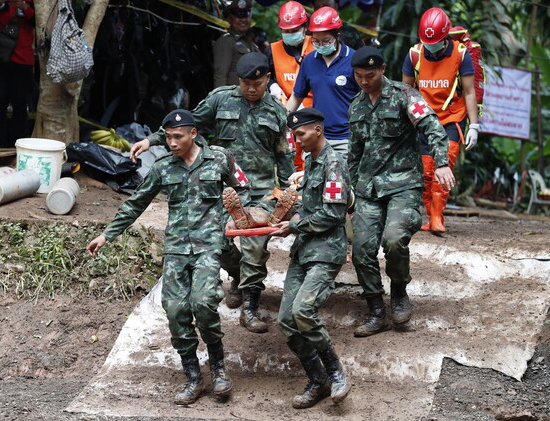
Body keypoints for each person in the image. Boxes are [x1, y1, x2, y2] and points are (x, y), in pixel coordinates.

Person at [87, 110, 247, 405]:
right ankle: (193, 378)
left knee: (204, 304)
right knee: (175, 311)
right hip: (176, 248)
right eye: (168, 137)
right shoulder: (162, 168)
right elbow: (136, 203)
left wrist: (235, 217)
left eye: (178, 137)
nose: (171, 143)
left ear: (193, 134)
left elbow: (244, 190)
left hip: (208, 246)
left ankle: (219, 370)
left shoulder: (220, 159)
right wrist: (107, 234)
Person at [130, 52, 295, 333]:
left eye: (256, 83)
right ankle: (237, 274)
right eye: (245, 83)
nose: (250, 88)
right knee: (217, 239)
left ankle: (251, 306)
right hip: (227, 189)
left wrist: (288, 190)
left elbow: (283, 156)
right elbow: (186, 124)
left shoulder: (278, 112)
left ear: (268, 78)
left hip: (261, 193)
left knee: (255, 248)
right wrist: (151, 139)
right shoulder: (221, 99)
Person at [348, 47, 455, 337]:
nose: (364, 82)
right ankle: (376, 309)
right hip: (368, 189)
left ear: (383, 69)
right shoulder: (356, 106)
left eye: (370, 75)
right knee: (361, 251)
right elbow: (354, 154)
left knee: (394, 240)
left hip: (403, 184)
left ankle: (398, 293)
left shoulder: (405, 95)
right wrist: (349, 192)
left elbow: (433, 127)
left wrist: (442, 164)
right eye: (359, 76)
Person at [271, 108, 350, 408]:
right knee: (287, 321)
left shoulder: (333, 163)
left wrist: (293, 225)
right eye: (294, 135)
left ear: (317, 130)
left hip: (326, 252)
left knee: (303, 311)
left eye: (301, 133)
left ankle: (336, 372)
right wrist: (289, 214)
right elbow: (310, 205)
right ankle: (317, 379)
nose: (297, 140)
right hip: (303, 251)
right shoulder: (310, 162)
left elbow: (333, 213)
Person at [402, 7, 479, 234]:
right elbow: (406, 92)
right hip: (423, 119)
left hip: (451, 118)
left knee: (445, 162)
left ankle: (437, 216)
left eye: (434, 41)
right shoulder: (415, 54)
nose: (431, 45)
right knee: (426, 170)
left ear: (445, 35)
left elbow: (469, 91)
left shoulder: (460, 53)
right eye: (427, 41)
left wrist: (474, 125)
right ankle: (429, 214)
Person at [285, 6, 359, 160]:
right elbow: (297, 96)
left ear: (337, 35)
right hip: (316, 137)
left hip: (346, 138)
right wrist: (282, 122)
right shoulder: (309, 61)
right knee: (312, 181)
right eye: (316, 41)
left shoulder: (353, 60)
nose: (321, 46)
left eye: (326, 41)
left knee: (340, 182)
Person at [0, 0, 35, 148]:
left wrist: (25, 8)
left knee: (20, 102)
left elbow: (41, 23)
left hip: (23, 58)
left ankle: (19, 145)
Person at [269, 0, 314, 172]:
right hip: (287, 114)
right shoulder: (272, 51)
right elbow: (268, 77)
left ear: (305, 27)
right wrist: (273, 87)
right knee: (291, 162)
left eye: (294, 30)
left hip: (316, 113)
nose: (290, 34)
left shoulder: (317, 45)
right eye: (286, 31)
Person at [213, 0, 259, 88]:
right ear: (229, 18)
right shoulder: (226, 41)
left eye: (246, 15)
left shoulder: (250, 40)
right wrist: (221, 100)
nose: (243, 19)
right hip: (234, 97)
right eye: (238, 16)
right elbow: (220, 76)